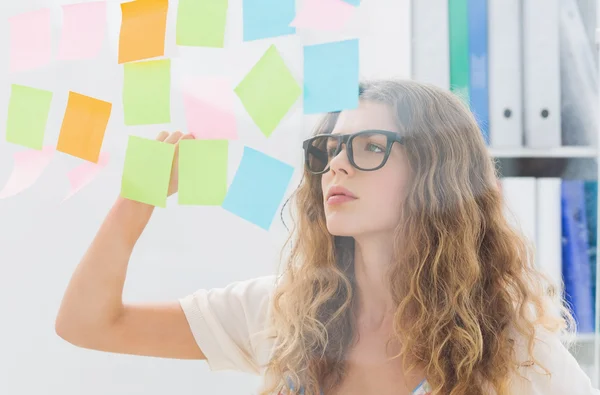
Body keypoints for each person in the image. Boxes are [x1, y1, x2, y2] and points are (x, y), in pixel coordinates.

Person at [55, 79, 599, 395]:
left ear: (436, 172)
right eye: (328, 151)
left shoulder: (508, 350)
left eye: (368, 146)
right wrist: (137, 201)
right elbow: (88, 323)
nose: (336, 165)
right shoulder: (284, 311)